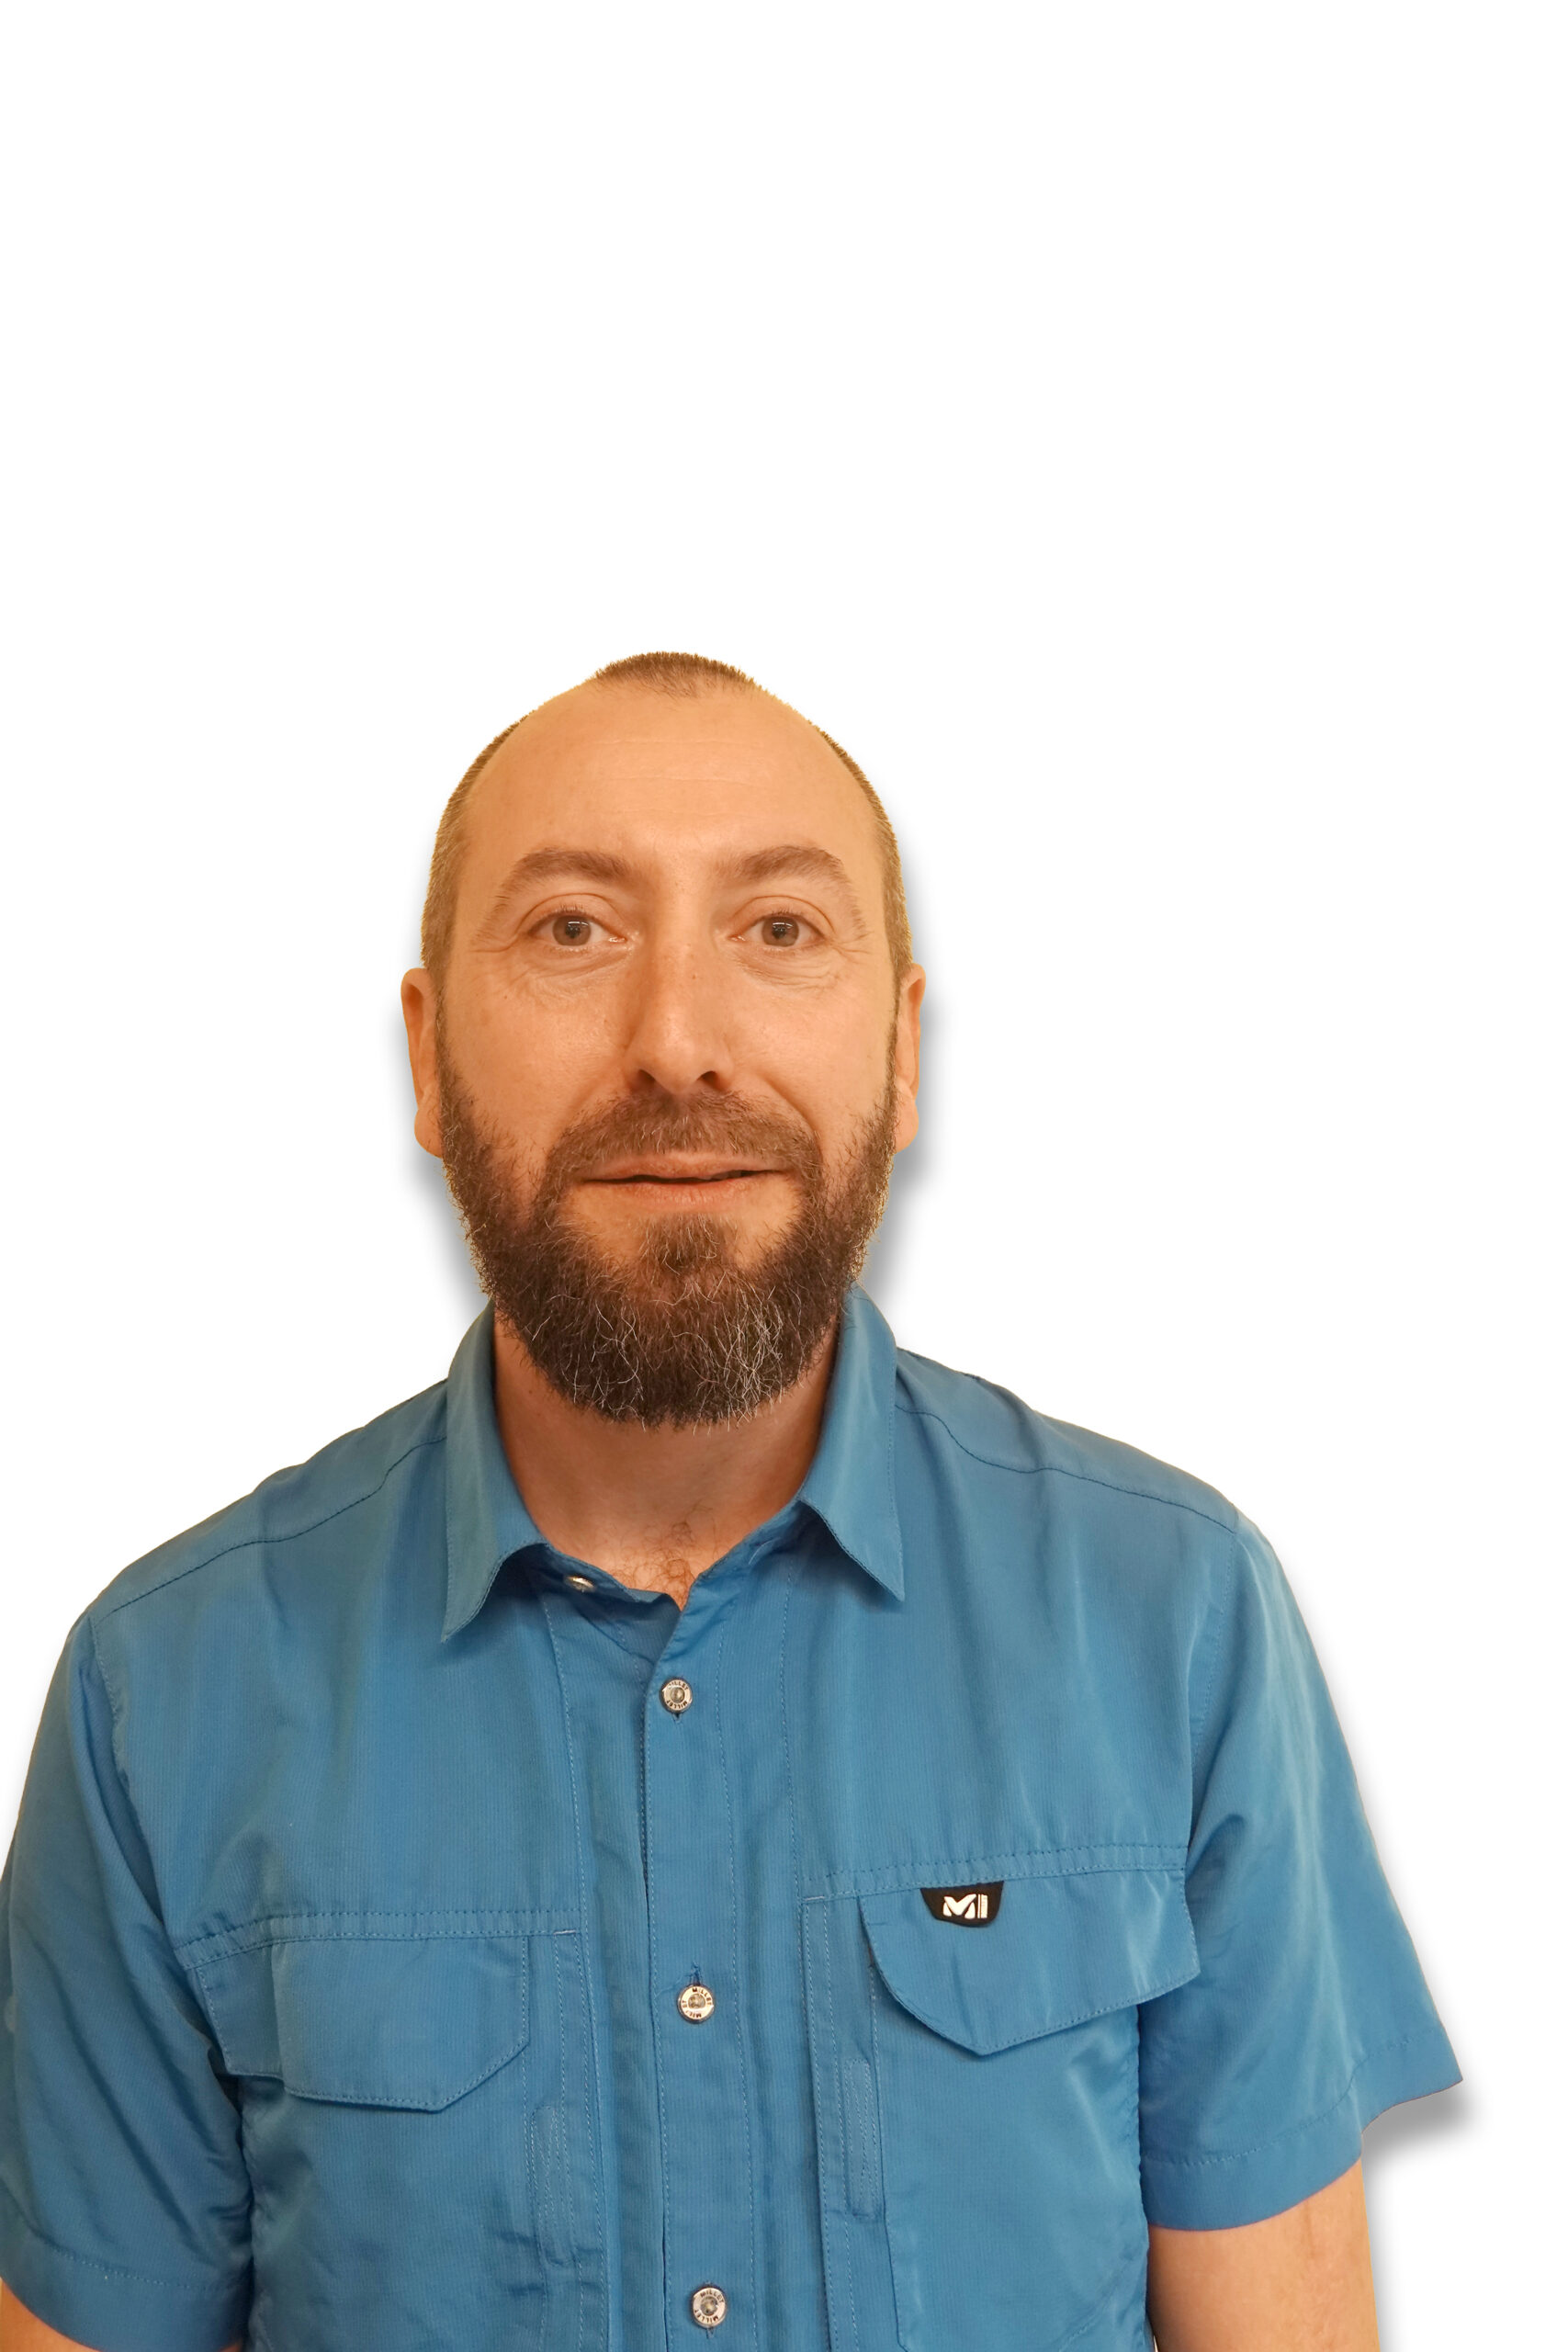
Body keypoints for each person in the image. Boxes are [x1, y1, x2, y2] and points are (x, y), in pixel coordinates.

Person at [0, 651, 1459, 2352]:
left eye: (778, 928)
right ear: (428, 1054)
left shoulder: (1179, 1618)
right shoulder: (157, 1696)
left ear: (901, 1050)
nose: (677, 1043)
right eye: (572, 929)